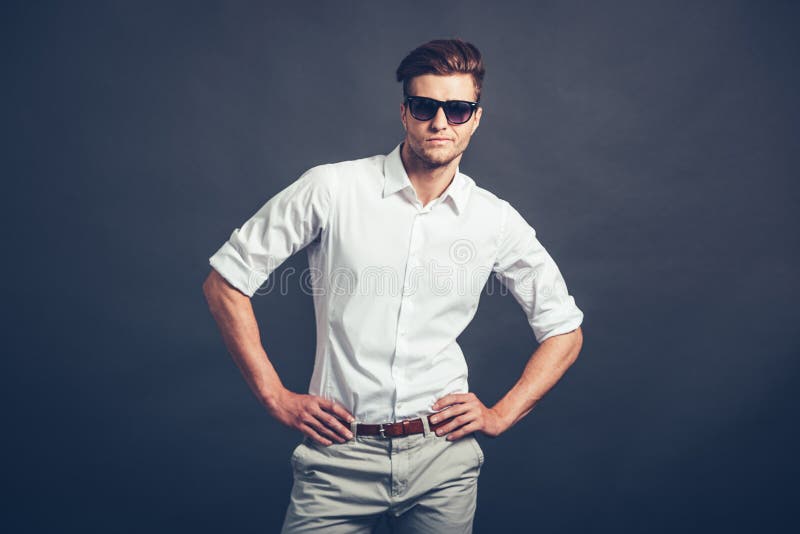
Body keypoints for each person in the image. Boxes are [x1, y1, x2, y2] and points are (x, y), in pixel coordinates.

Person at [203, 38, 584, 534]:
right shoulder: (332, 189)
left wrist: (501, 414)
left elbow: (564, 330)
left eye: (458, 109)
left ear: (476, 117)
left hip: (442, 462)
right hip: (338, 458)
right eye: (426, 106)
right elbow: (225, 282)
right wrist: (275, 396)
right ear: (405, 112)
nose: (440, 123)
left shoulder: (495, 220)